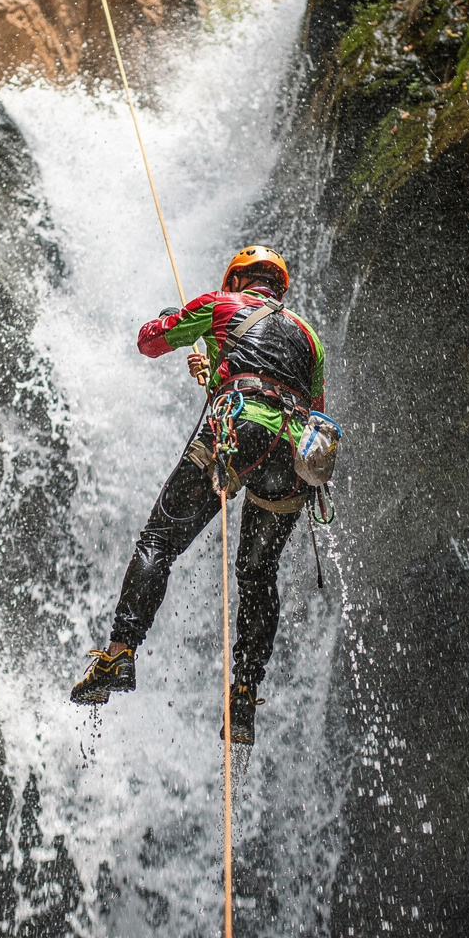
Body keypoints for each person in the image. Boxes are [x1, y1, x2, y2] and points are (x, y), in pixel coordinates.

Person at [70, 245, 326, 745]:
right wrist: (217, 375)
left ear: (236, 280)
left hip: (234, 432)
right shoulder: (308, 337)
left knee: (159, 542)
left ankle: (120, 653)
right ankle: (245, 697)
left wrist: (172, 319)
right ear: (280, 287)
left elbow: (149, 342)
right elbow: (315, 406)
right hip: (293, 452)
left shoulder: (222, 305)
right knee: (257, 574)